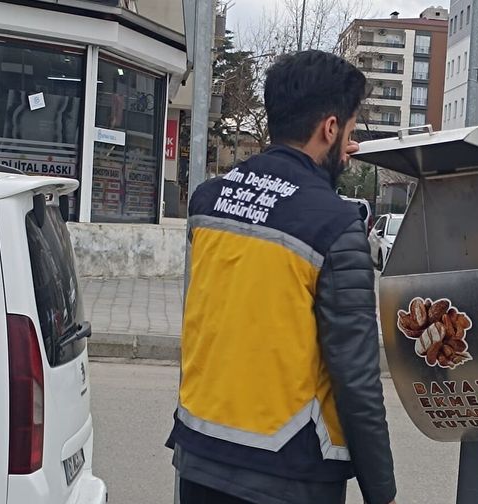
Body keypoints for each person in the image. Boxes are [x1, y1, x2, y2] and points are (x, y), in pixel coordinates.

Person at [166, 51, 396, 504]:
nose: (350, 148)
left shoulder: (208, 203)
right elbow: (356, 377)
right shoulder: (335, 224)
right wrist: (381, 490)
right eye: (350, 132)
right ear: (329, 128)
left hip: (201, 455)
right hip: (290, 469)